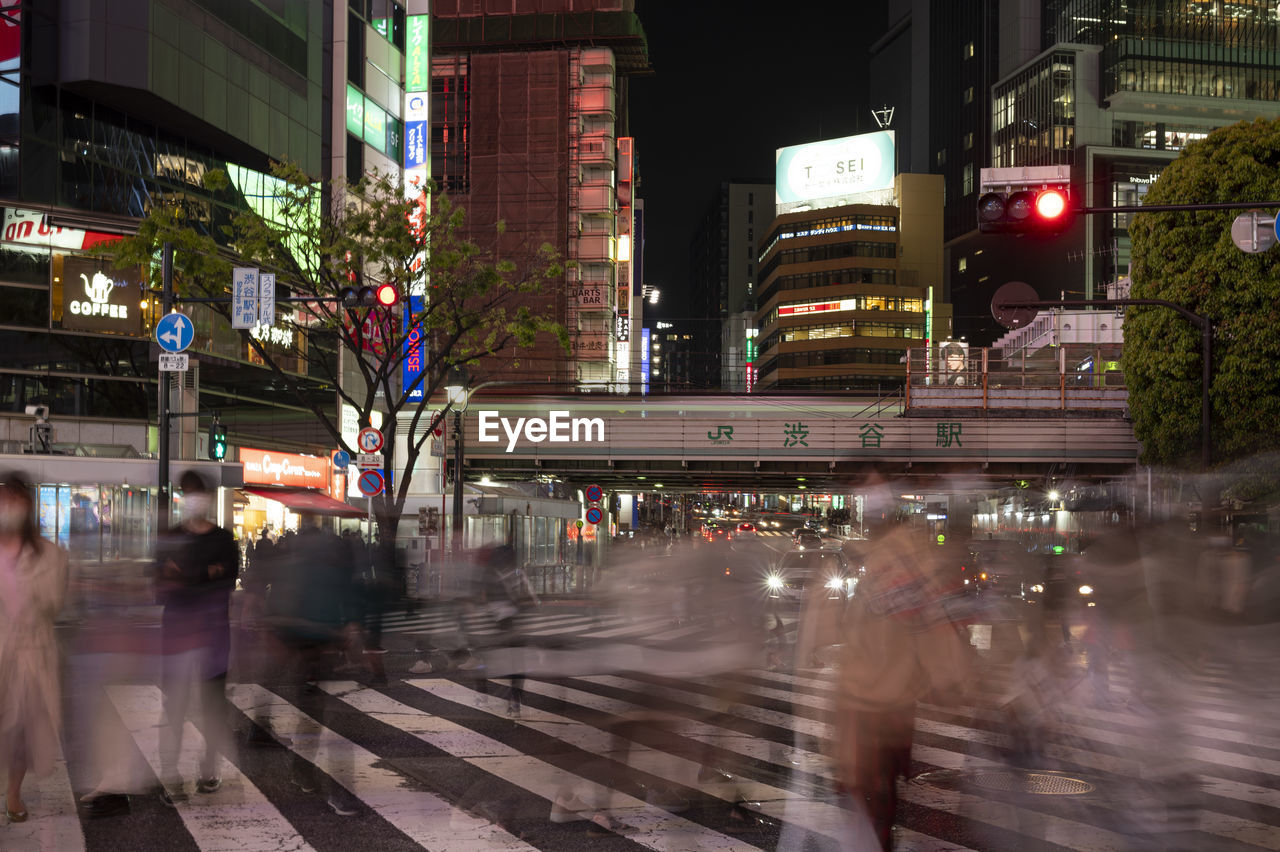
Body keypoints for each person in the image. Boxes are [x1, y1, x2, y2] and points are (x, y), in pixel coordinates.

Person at [154, 470, 239, 805]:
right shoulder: (170, 537)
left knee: (212, 706)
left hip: (214, 636)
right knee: (173, 705)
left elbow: (228, 580)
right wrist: (205, 573)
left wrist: (185, 574)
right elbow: (158, 585)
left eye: (197, 492)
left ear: (206, 497)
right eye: (187, 493)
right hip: (177, 634)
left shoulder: (223, 539)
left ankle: (208, 768)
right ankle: (170, 773)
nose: (194, 499)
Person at [0, 472, 69, 824]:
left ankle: (13, 792)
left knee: (22, 729)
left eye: (16, 499)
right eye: (4, 499)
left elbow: (54, 603)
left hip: (32, 652)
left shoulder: (48, 554)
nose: (9, 507)